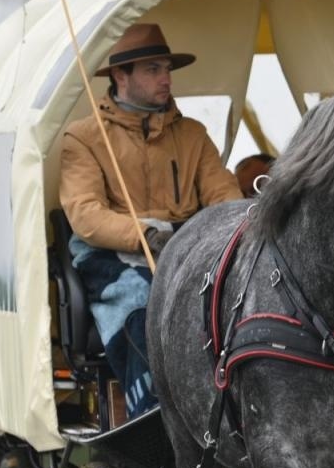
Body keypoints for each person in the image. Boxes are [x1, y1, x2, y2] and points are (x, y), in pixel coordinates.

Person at [60, 22, 242, 414]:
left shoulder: (193, 134)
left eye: (167, 69)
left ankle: (229, 406)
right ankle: (152, 414)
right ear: (120, 76)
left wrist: (236, 226)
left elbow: (224, 194)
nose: (166, 79)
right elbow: (86, 214)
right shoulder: (83, 137)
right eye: (153, 70)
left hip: (187, 249)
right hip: (111, 256)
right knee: (145, 306)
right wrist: (145, 233)